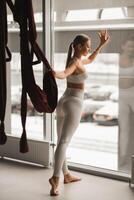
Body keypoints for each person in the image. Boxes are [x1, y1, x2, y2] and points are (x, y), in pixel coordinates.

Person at [49, 30, 110, 196]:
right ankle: (55, 179)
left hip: (63, 102)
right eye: (87, 46)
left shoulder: (75, 59)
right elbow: (65, 73)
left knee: (62, 142)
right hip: (74, 103)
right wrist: (56, 74)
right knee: (64, 142)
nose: (89, 49)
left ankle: (66, 175)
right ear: (78, 46)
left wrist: (100, 45)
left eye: (90, 46)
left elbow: (89, 59)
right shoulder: (75, 62)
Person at [118, 37, 134, 172]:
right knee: (124, 128)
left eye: (133, 47)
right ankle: (123, 156)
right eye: (129, 46)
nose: (131, 49)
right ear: (123, 46)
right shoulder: (116, 60)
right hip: (121, 97)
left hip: (132, 95)